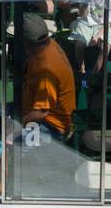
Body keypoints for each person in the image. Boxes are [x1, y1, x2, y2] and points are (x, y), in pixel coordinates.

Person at [21, 12, 76, 145]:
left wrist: (18, 122)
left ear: (26, 41)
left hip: (50, 127)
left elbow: (41, 112)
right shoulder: (50, 44)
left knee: (15, 147)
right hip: (33, 110)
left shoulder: (45, 70)